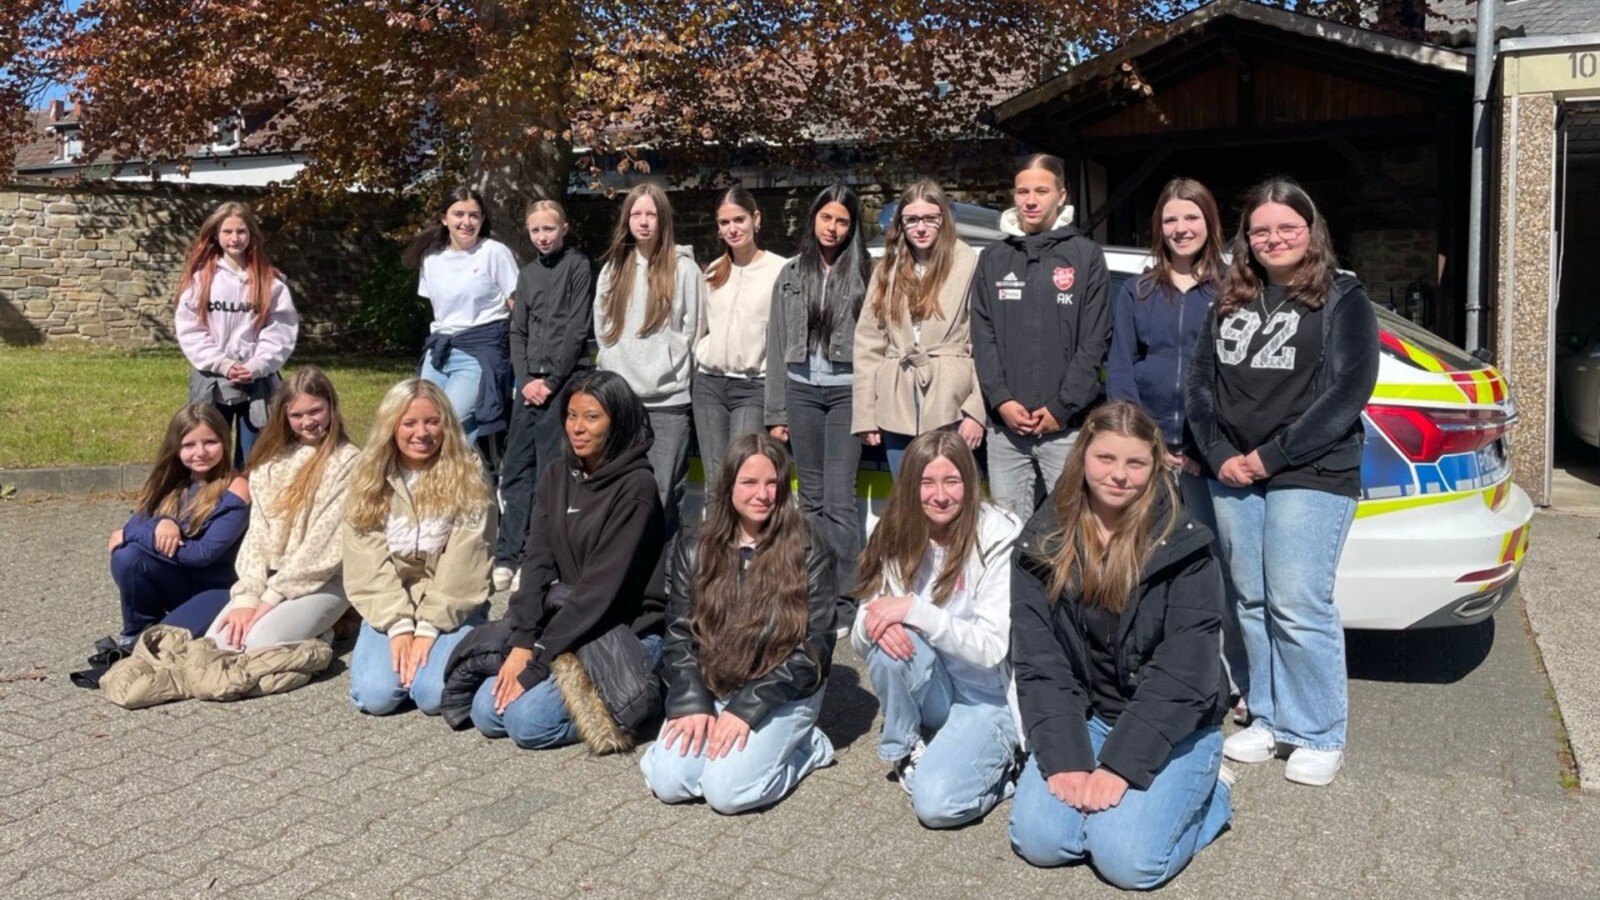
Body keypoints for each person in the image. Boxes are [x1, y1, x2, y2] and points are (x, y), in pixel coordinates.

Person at [1186, 178, 1379, 787]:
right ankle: (1267, 717)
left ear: (1310, 229)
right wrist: (1220, 454)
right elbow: (1198, 384)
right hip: (1233, 471)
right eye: (1261, 230)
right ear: (1246, 238)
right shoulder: (1228, 296)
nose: (1273, 239)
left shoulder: (1343, 297)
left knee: (1297, 601)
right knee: (1249, 599)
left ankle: (1319, 730)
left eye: (1286, 228)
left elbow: (1350, 391)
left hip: (1310, 469)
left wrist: (1271, 457)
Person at [1008, 401, 1232, 890]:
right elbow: (1040, 662)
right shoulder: (1041, 541)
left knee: (1127, 863)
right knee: (1038, 840)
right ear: (1083, 456)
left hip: (1177, 724)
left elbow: (1185, 674)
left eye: (1135, 463)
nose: (1119, 476)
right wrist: (1067, 757)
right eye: (1106, 458)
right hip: (1088, 715)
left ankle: (1209, 797)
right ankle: (1137, 804)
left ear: (1155, 467)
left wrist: (1120, 767)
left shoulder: (1186, 547)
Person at [1105, 177, 1248, 718]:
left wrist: (1205, 446)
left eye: (1191, 218)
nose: (1181, 229)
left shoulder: (1235, 289)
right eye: (1170, 220)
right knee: (1151, 566)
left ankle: (1232, 678)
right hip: (1153, 453)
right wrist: (1144, 443)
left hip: (1213, 454)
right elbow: (1121, 368)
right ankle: (1159, 669)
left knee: (1219, 567)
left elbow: (1241, 377)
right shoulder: (1137, 292)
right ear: (1158, 228)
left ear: (1209, 223)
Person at [471, 370, 668, 750]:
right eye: (571, 415)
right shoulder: (556, 475)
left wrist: (537, 661)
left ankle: (642, 699)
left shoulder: (636, 488)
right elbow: (537, 564)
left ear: (618, 420)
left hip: (621, 632)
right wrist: (524, 642)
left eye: (591, 417)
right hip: (565, 624)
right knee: (486, 712)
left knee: (527, 724)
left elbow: (599, 592)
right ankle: (618, 699)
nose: (577, 428)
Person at [641, 434, 836, 814]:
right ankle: (716, 748)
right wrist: (692, 700)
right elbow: (680, 634)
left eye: (772, 483)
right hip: (714, 684)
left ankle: (809, 748)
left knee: (726, 794)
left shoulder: (810, 549)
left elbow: (814, 649)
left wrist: (745, 708)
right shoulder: (695, 545)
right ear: (728, 485)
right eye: (749, 482)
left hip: (782, 691)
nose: (762, 494)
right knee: (669, 782)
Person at [851, 431, 1021, 828]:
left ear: (970, 482)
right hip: (938, 690)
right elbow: (862, 626)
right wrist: (875, 626)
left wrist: (914, 610)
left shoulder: (999, 533)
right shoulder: (894, 530)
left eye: (952, 481)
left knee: (936, 806)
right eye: (927, 482)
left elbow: (993, 648)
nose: (940, 495)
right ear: (911, 485)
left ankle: (1008, 767)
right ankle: (906, 745)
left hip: (988, 698)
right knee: (889, 640)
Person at [164, 368, 360, 649]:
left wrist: (269, 601)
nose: (307, 422)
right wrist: (247, 597)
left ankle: (330, 628)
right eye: (296, 415)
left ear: (331, 406)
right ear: (284, 416)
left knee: (258, 643)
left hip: (320, 580)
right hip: (269, 577)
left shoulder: (349, 463)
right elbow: (257, 534)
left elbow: (326, 546)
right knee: (219, 643)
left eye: (315, 411)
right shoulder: (270, 463)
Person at [970, 153, 1111, 523]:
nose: (1030, 200)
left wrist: (1062, 408)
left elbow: (1095, 341)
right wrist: (1000, 400)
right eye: (1022, 191)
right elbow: (982, 337)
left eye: (1041, 191)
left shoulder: (1086, 256)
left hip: (1065, 428)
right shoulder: (994, 258)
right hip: (1005, 431)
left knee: (1072, 531)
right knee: (1007, 534)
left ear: (1061, 195)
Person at [344, 379, 494, 716]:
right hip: (390, 599)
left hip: (452, 600)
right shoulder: (367, 474)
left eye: (432, 421)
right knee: (376, 697)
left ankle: (462, 649)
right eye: (409, 423)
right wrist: (398, 627)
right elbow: (365, 561)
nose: (421, 433)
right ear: (390, 427)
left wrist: (427, 630)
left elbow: (467, 561)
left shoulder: (467, 469)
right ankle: (402, 662)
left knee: (432, 696)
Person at [766, 184, 871, 628]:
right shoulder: (790, 273)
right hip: (801, 392)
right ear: (813, 219)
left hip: (847, 393)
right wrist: (776, 413)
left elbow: (875, 348)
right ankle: (813, 595)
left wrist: (870, 410)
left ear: (852, 227)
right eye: (826, 218)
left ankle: (848, 601)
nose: (832, 228)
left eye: (842, 221)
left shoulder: (868, 273)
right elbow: (774, 344)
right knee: (808, 501)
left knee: (839, 501)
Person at [493, 199, 595, 593]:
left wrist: (550, 381)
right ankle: (507, 553)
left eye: (549, 229)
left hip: (559, 384)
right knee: (517, 467)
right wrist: (524, 379)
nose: (542, 236)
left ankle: (536, 555)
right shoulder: (528, 273)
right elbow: (517, 331)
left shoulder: (577, 267)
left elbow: (576, 328)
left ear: (564, 228)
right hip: (528, 385)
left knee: (550, 470)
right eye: (535, 231)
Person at [594, 184, 704, 540]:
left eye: (651, 214)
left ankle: (664, 584)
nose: (643, 222)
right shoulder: (613, 269)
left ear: (663, 219)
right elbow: (603, 330)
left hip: (668, 402)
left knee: (662, 494)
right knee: (620, 493)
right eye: (636, 214)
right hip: (621, 402)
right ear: (626, 219)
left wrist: (671, 367)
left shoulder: (684, 270)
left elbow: (696, 330)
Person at [853, 180, 985, 477]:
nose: (921, 228)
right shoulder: (887, 267)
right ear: (900, 224)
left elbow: (986, 342)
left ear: (944, 219)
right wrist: (865, 414)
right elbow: (867, 344)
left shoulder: (968, 262)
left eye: (929, 218)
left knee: (948, 499)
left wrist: (976, 411)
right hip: (896, 400)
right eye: (911, 219)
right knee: (907, 500)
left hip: (951, 401)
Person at [99, 404, 251, 654]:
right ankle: (136, 628)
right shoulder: (171, 481)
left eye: (210, 442)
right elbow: (137, 520)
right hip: (177, 581)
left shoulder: (237, 487)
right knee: (127, 557)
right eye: (189, 445)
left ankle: (144, 640)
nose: (200, 452)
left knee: (160, 645)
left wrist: (131, 533)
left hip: (218, 589)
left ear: (225, 441)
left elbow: (202, 554)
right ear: (176, 448)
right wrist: (161, 522)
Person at [174, 200, 299, 466]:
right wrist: (223, 363)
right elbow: (191, 330)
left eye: (241, 231)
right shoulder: (200, 280)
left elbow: (281, 330)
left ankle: (245, 503)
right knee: (209, 450)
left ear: (252, 234)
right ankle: (210, 502)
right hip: (212, 379)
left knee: (254, 454)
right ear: (216, 235)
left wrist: (256, 365)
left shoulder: (271, 282)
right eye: (227, 231)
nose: (235, 238)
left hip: (257, 381)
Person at [403, 185, 519, 446]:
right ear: (444, 218)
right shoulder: (432, 258)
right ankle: (429, 482)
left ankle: (458, 481)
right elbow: (440, 310)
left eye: (474, 215)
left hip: (478, 350)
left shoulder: (494, 253)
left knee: (449, 422)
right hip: (439, 352)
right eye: (459, 214)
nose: (467, 222)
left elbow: (517, 306)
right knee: (423, 421)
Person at [694, 187, 789, 488]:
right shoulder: (713, 272)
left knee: (741, 477)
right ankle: (715, 538)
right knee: (714, 483)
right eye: (725, 223)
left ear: (755, 219)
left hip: (751, 387)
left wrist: (780, 409)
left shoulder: (780, 270)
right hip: (709, 384)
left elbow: (784, 340)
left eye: (739, 220)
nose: (732, 229)